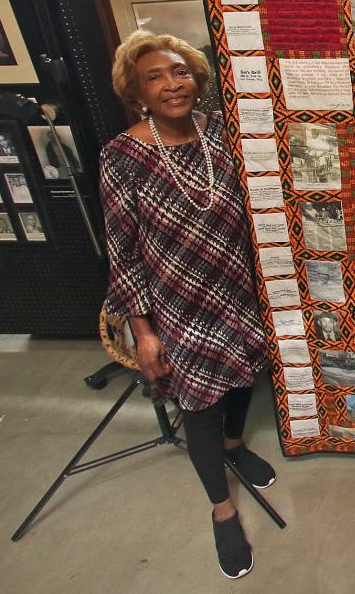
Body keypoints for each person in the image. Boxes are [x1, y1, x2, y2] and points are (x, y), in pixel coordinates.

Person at [100, 31, 274, 578]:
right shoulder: (122, 155)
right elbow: (122, 250)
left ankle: (233, 444)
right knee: (197, 402)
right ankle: (223, 512)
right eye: (154, 76)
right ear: (136, 91)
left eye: (179, 72)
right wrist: (143, 330)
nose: (171, 83)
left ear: (197, 79)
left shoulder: (220, 131)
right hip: (176, 304)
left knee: (245, 376)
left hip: (238, 289)